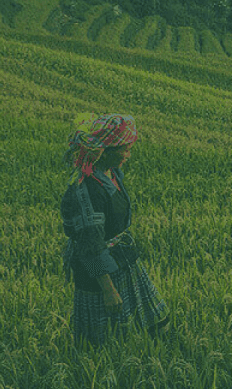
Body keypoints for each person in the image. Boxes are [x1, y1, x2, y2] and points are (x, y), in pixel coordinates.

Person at [60, 113, 168, 345]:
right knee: (102, 340)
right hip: (99, 273)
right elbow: (91, 244)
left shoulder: (110, 173)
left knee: (154, 324)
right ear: (104, 152)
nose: (128, 155)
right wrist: (108, 290)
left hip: (123, 258)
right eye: (125, 149)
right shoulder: (86, 191)